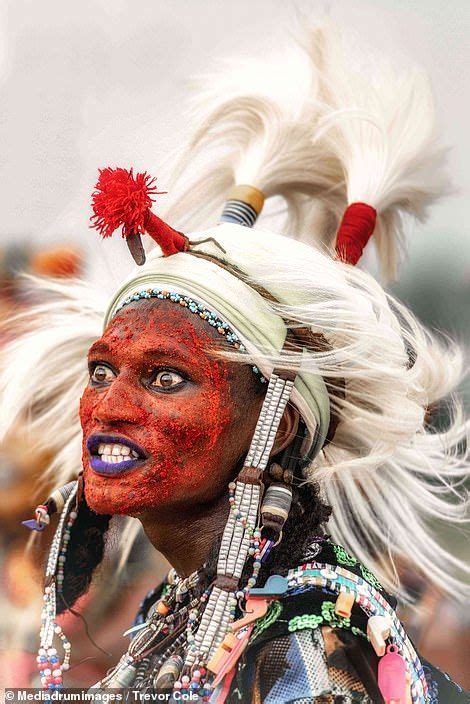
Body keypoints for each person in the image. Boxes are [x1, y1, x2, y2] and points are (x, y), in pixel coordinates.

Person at [1, 23, 468, 704]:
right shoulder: (188, 608)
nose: (110, 405)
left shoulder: (306, 650)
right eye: (103, 370)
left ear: (274, 426)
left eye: (165, 377)